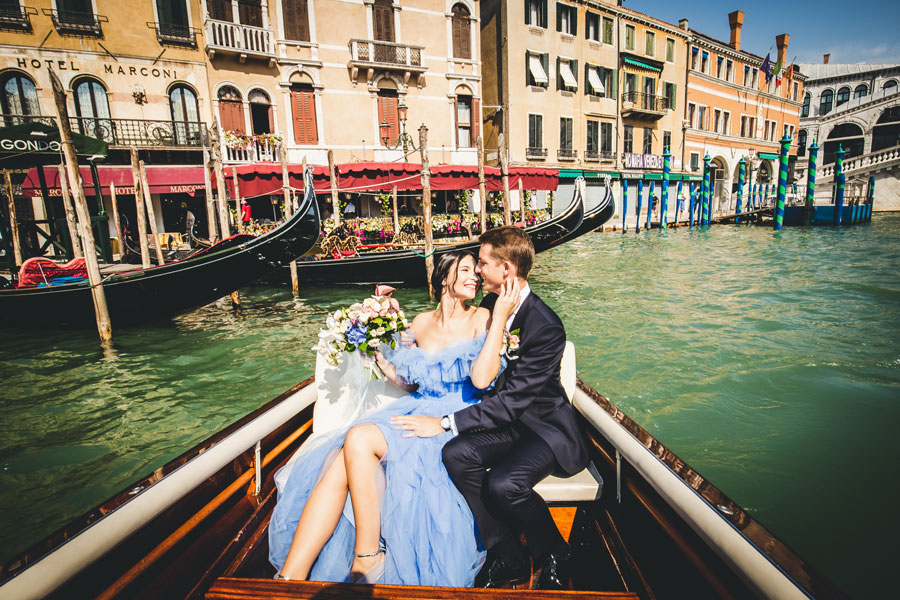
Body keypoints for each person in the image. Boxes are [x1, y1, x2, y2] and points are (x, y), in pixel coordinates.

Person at [268, 250, 520, 586]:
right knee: (342, 454)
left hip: (453, 417)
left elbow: (483, 380)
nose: (474, 277)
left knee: (357, 439)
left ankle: (365, 556)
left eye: (477, 271)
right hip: (414, 408)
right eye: (465, 270)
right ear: (444, 277)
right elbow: (413, 382)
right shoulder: (419, 323)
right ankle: (291, 576)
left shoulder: (483, 318)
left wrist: (500, 318)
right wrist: (386, 366)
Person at [394, 226, 590, 590]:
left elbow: (513, 401)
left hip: (543, 429)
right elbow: (449, 328)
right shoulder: (488, 306)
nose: (478, 270)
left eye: (483, 263)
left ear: (507, 271)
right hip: (507, 424)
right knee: (455, 455)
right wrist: (399, 333)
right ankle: (508, 555)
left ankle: (554, 551)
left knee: (503, 483)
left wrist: (445, 421)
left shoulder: (546, 326)